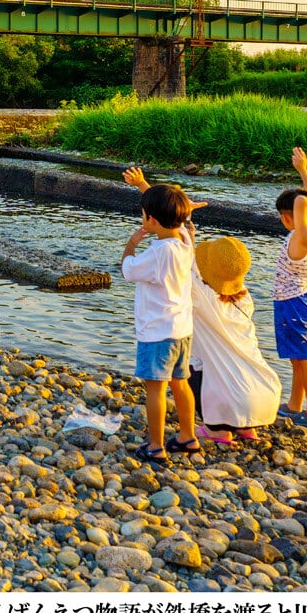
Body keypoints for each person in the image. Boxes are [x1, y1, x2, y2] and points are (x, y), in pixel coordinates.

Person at [120, 182, 200, 463]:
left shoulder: (156, 252)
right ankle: (187, 437)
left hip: (157, 332)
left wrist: (132, 243)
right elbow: (184, 220)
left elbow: (128, 270)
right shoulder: (185, 242)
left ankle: (156, 445)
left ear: (151, 220)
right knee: (181, 383)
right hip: (182, 329)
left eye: (143, 215)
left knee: (155, 389)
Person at [188, 237, 280, 445]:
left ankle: (217, 429)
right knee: (228, 365)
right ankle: (245, 427)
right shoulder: (245, 299)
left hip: (236, 399)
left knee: (190, 364)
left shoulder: (204, 300)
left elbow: (187, 268)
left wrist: (186, 232)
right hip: (266, 396)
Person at [272, 147, 307, 429]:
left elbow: (305, 205)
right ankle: (295, 404)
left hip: (293, 302)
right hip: (306, 298)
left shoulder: (301, 236)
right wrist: (303, 171)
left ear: (288, 216)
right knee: (298, 357)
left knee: (305, 358)